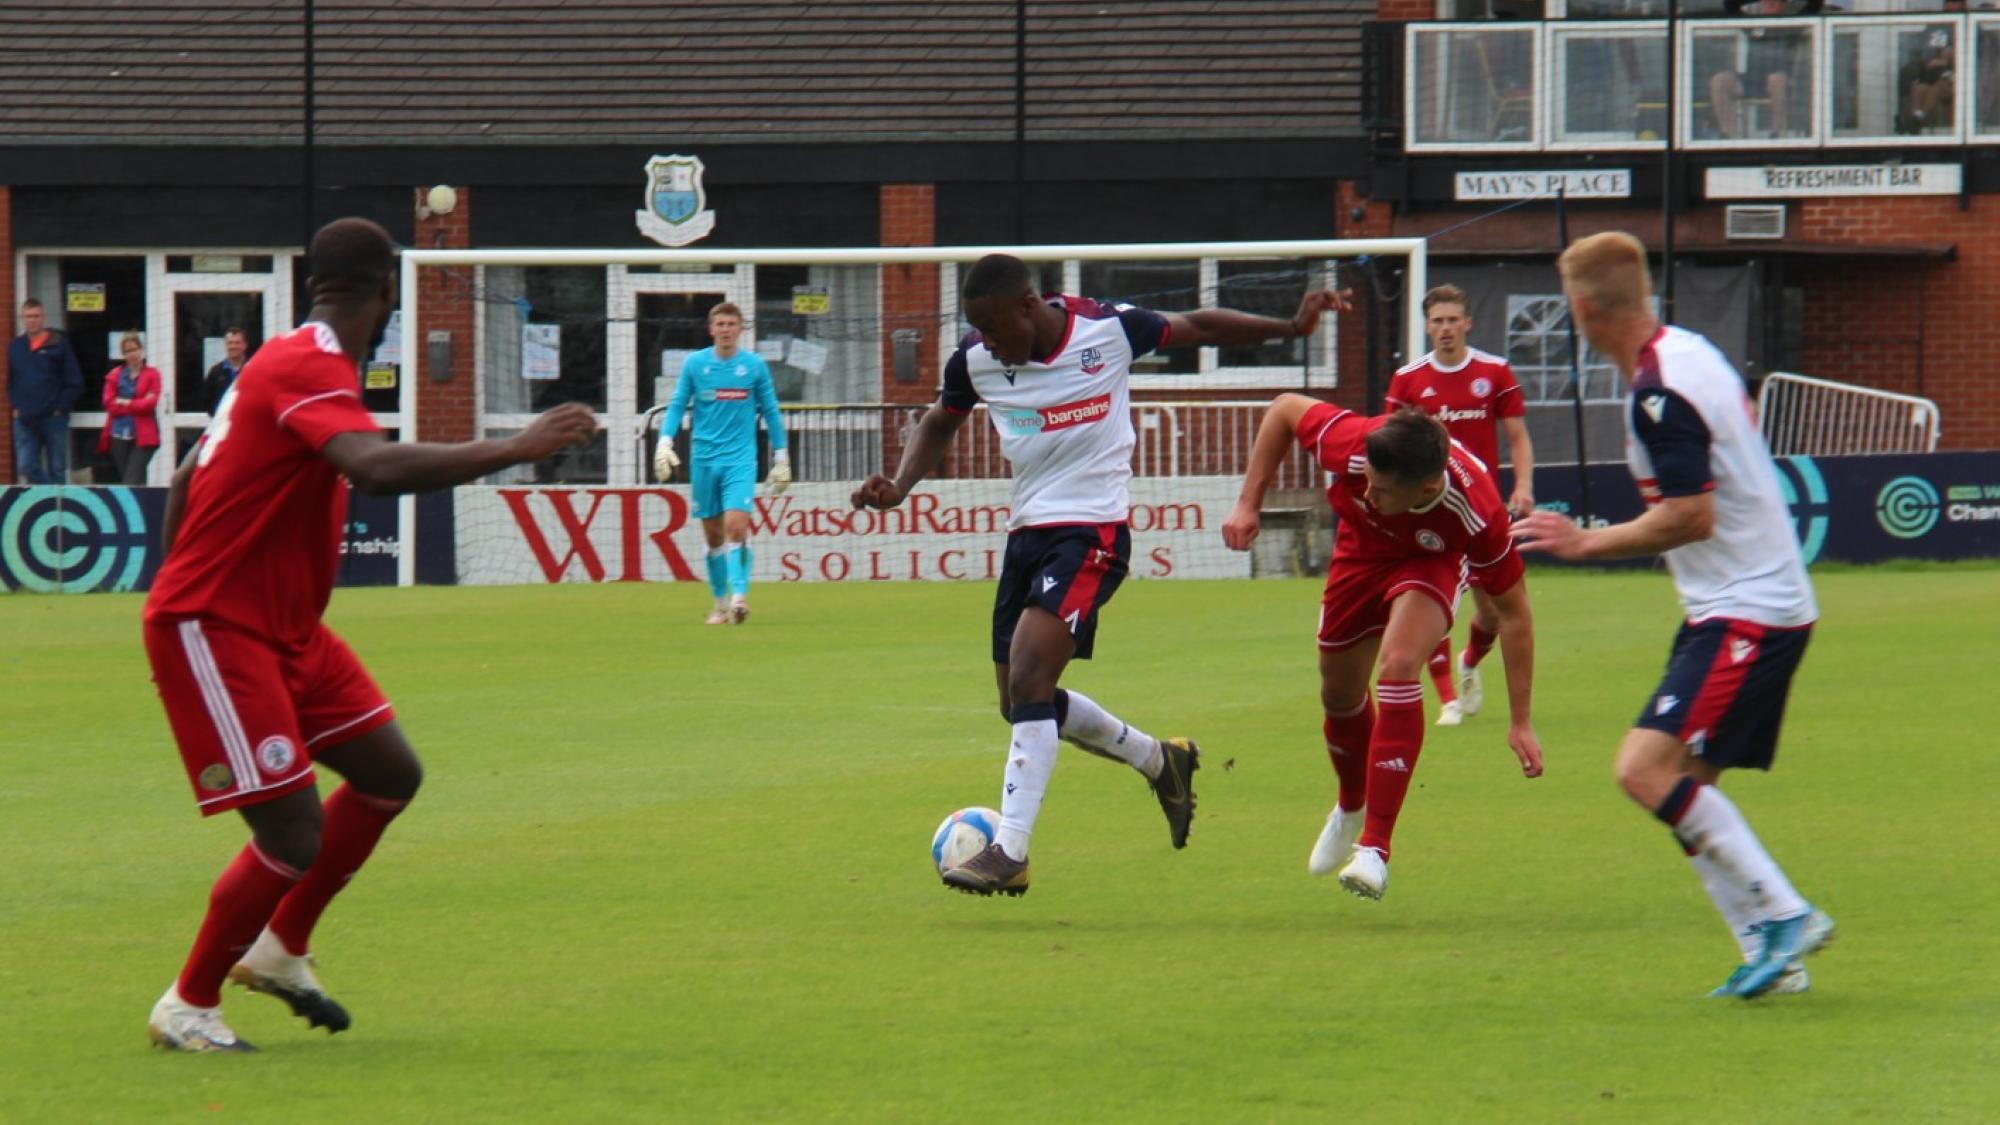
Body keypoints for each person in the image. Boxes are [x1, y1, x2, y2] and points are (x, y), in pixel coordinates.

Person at [141, 217, 598, 1052]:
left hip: (281, 628)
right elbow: (373, 468)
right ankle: (188, 1003)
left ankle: (281, 947)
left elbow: (182, 476)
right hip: (221, 625)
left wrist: (192, 579)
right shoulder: (308, 363)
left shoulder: (285, 361)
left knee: (389, 773)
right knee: (292, 831)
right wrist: (520, 444)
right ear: (388, 289)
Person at [851, 253, 1348, 897]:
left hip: (1093, 532)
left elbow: (1199, 323)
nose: (990, 343)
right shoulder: (976, 359)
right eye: (980, 332)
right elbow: (941, 418)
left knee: (1032, 677)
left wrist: (1290, 327)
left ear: (1029, 305)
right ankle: (1158, 759)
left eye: (997, 328)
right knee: (1019, 703)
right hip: (1026, 535)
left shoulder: (1107, 330)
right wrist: (900, 484)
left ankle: (1011, 851)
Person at [1513, 231, 1831, 999]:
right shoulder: (1689, 350)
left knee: (1642, 769)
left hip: (1746, 610)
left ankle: (1785, 912)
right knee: (1687, 784)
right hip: (1750, 601)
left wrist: (1586, 543)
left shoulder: (1659, 394)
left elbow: (1693, 517)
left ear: (1583, 309)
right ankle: (1769, 952)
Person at [1224, 403, 1544, 901]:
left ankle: (1375, 849)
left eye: (1383, 489)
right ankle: (1350, 804)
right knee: (1338, 694)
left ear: (1427, 489)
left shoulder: (1475, 514)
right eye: (1368, 481)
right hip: (1359, 554)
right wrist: (1249, 503)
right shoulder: (1358, 444)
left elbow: (1516, 613)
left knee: (1397, 668)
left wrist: (1520, 720)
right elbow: (1283, 411)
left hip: (1429, 562)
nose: (1368, 493)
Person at [1384, 284, 1534, 727]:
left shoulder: (1496, 371)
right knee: (1430, 599)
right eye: (1437, 321)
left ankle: (1469, 661)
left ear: (1467, 323)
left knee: (1490, 613)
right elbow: (1392, 442)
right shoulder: (1408, 379)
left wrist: (1522, 485)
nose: (1445, 329)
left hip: (1480, 512)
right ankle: (1448, 698)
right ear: (1426, 326)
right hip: (1430, 512)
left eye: (1453, 320)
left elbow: (1518, 436)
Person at [653, 302, 790, 624]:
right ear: (711, 329)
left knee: (736, 527)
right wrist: (664, 443)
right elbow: (676, 406)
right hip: (703, 459)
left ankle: (740, 599)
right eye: (721, 324)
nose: (726, 329)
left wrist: (781, 457)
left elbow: (771, 411)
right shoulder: (695, 364)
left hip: (740, 459)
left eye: (731, 324)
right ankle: (720, 604)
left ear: (741, 329)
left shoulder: (754, 366)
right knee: (714, 537)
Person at [1709, 0, 1820, 139]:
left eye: (1774, 3)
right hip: (1751, 81)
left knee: (1776, 79)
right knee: (1720, 80)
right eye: (1767, 3)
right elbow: (1730, 5)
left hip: (1778, 83)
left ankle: (1776, 132)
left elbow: (1814, 5)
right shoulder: (1754, 24)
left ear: (1783, 6)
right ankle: (1727, 133)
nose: (1770, 6)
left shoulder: (1792, 26)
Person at [8, 298, 84, 485]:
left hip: (53, 418)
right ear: (22, 319)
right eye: (28, 316)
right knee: (26, 466)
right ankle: (51, 495)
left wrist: (60, 408)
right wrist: (16, 405)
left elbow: (75, 381)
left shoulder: (58, 343)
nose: (32, 320)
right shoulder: (16, 347)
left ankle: (59, 510)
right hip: (25, 420)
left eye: (36, 316)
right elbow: (11, 381)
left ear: (43, 317)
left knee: (57, 470)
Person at [98, 332, 163, 485]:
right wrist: (137, 404)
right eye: (127, 351)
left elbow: (150, 405)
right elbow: (110, 405)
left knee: (131, 480)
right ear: (123, 355)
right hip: (118, 434)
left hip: (144, 437)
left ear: (141, 350)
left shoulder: (152, 374)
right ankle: (144, 508)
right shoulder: (114, 375)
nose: (132, 354)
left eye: (134, 349)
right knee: (135, 480)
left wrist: (125, 402)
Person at [203, 327, 251, 416]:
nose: (233, 346)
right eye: (230, 343)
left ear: (245, 345)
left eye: (237, 343)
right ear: (225, 345)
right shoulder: (215, 372)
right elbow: (207, 402)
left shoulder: (252, 370)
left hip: (246, 423)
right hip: (222, 425)